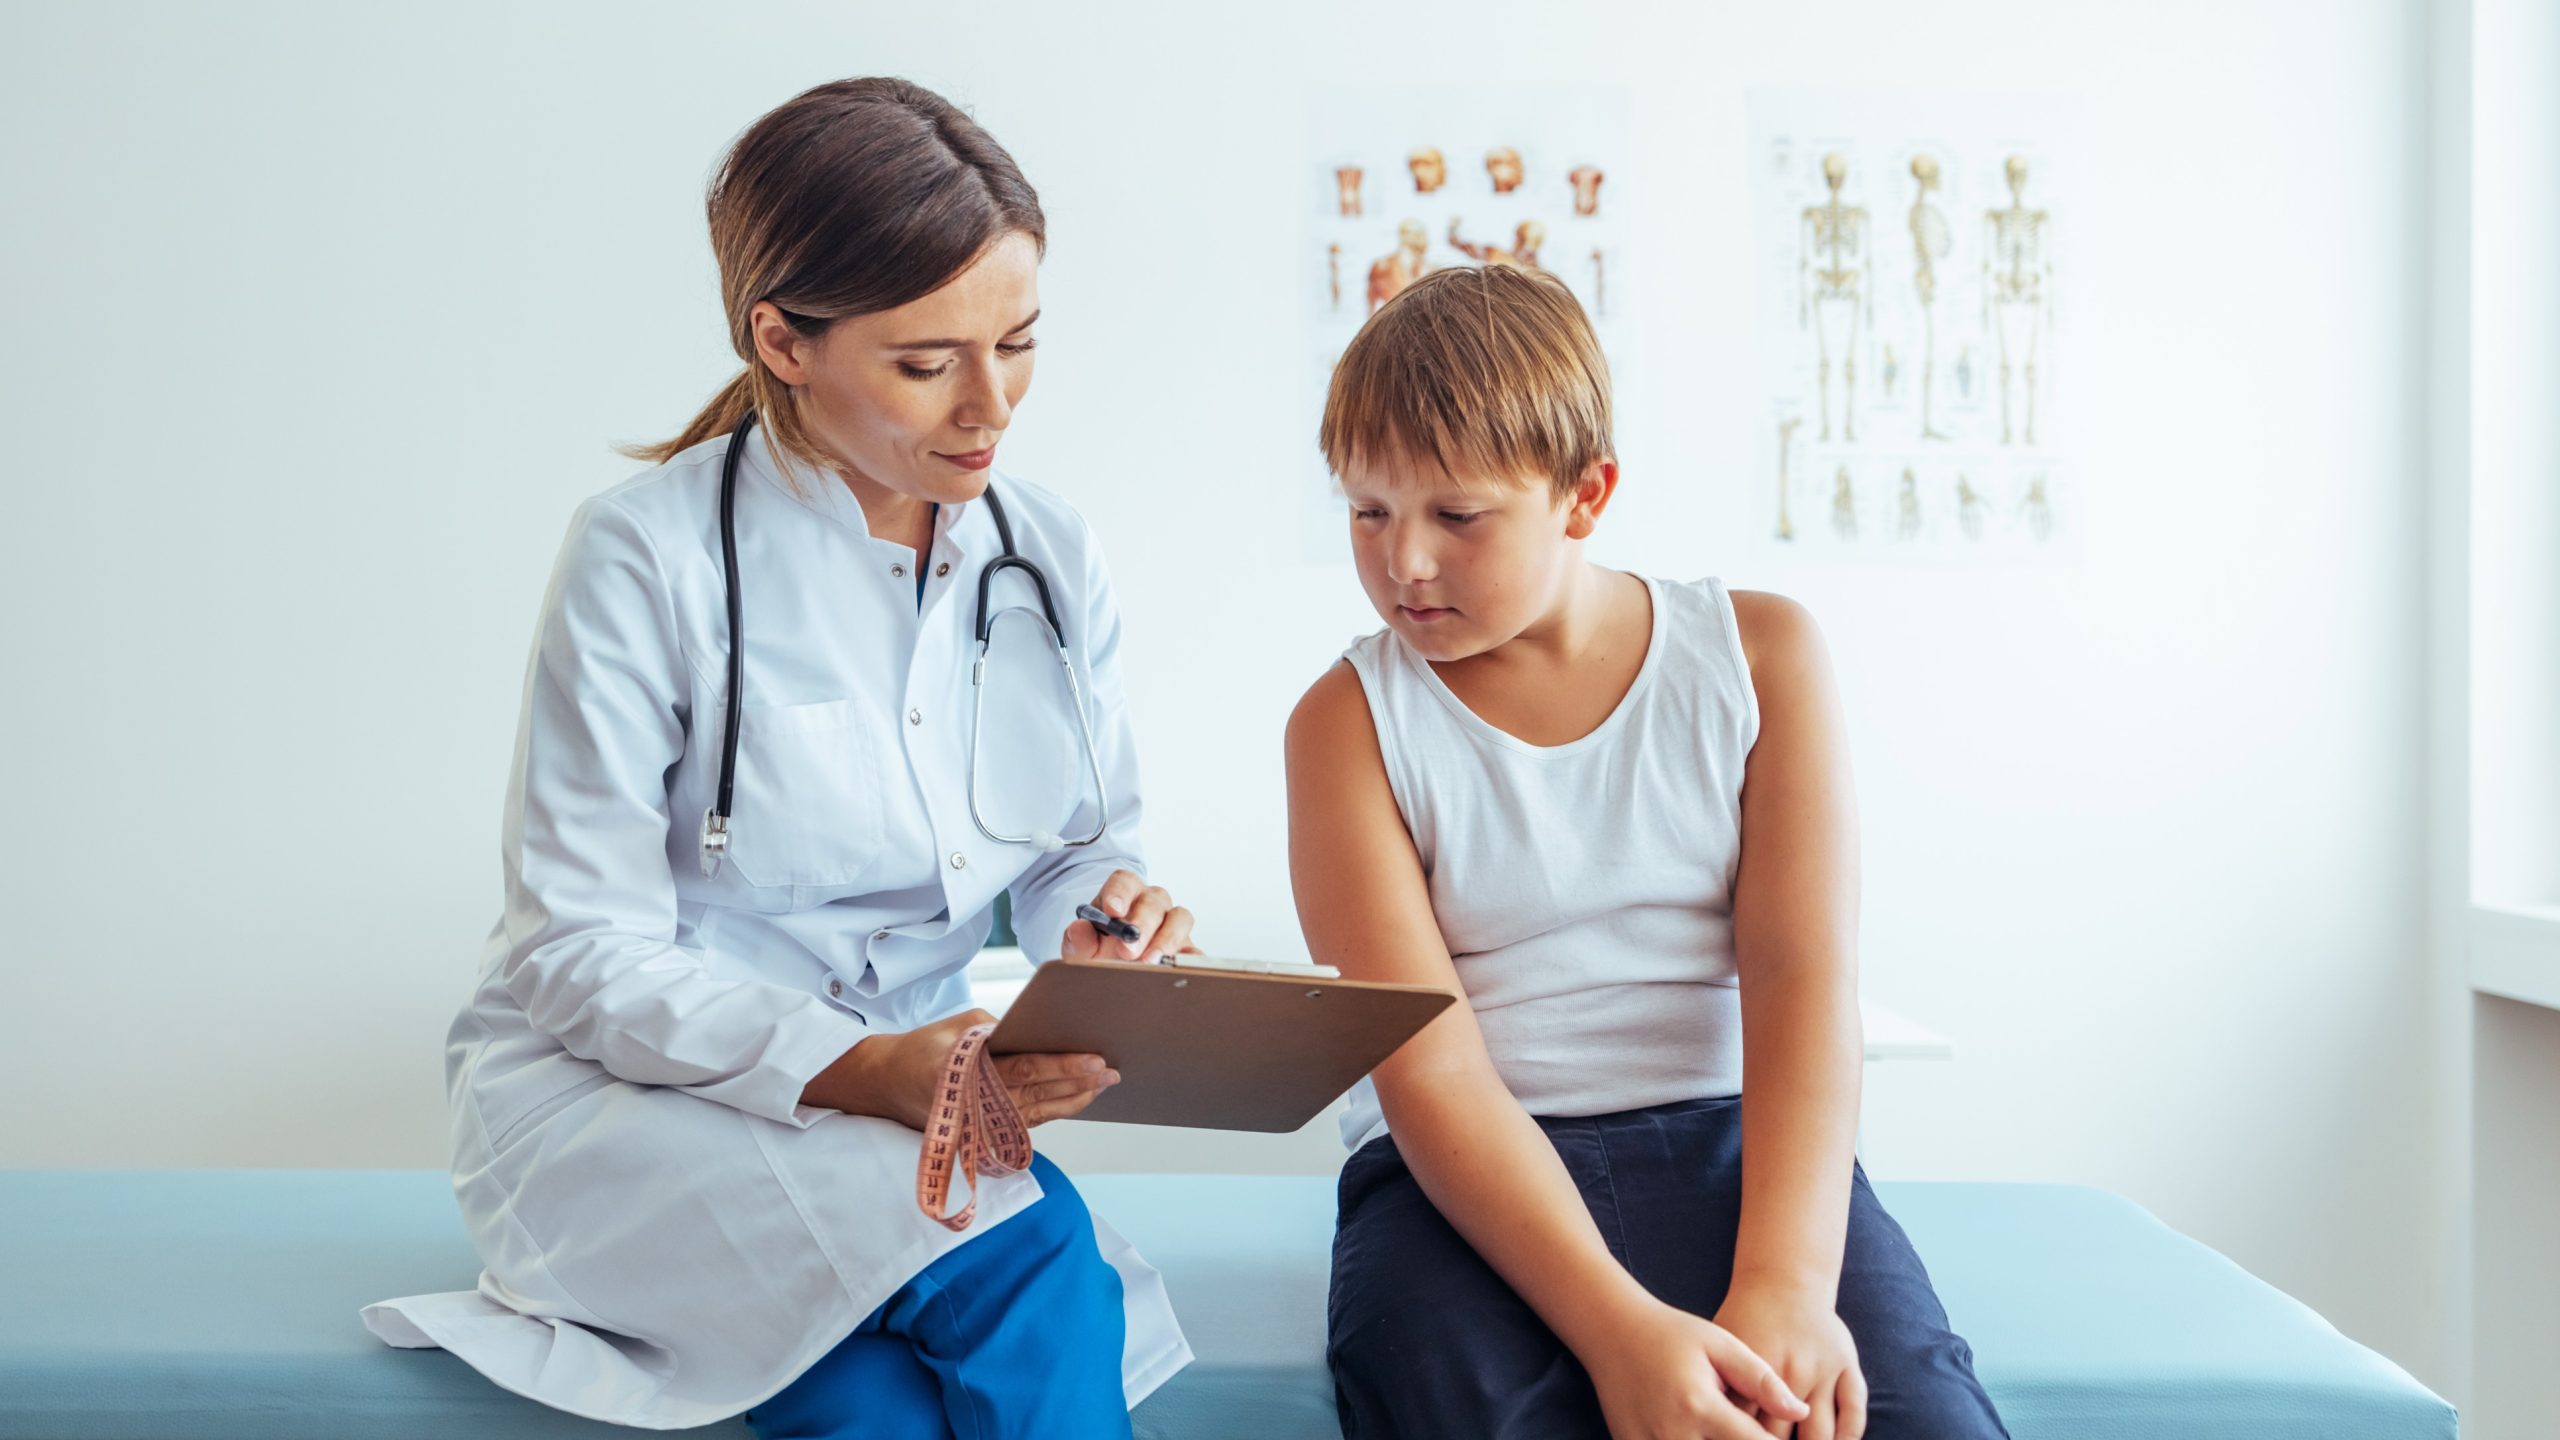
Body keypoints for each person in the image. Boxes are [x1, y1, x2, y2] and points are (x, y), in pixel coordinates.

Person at [362, 77, 1195, 1439]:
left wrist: (1103, 925)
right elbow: (575, 953)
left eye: (1020, 343)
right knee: (1033, 1260)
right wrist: (862, 1070)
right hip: (630, 1113)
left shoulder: (1047, 553)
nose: (992, 404)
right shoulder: (646, 555)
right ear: (783, 340)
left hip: (906, 1099)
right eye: (928, 362)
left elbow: (1067, 847)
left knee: (873, 1403)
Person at [1286, 264, 2010, 1440]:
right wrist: (1621, 1337)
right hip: (1460, 1178)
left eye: (1455, 515)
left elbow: (1800, 977)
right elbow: (1430, 1072)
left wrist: (1783, 1286)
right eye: (1367, 512)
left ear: (1584, 495)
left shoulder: (1759, 656)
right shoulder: (1345, 723)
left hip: (1732, 1141)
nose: (1402, 561)